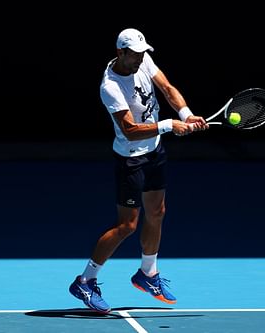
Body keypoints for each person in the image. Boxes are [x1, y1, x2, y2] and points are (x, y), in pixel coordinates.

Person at [69, 28, 208, 313]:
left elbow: (168, 90)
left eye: (143, 53)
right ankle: (85, 280)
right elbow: (130, 130)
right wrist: (169, 126)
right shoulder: (110, 86)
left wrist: (186, 114)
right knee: (126, 226)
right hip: (131, 159)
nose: (140, 59)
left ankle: (148, 274)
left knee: (157, 212)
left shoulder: (143, 61)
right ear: (121, 53)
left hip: (154, 151)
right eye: (134, 55)